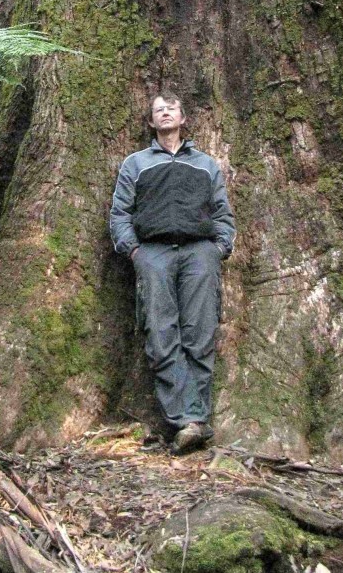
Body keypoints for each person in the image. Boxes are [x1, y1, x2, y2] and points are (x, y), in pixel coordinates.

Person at [110, 92, 236, 454]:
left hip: (200, 252)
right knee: (161, 332)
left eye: (171, 108)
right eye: (157, 110)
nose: (164, 112)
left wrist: (219, 247)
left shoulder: (206, 165)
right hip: (153, 253)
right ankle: (186, 419)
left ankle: (196, 418)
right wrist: (133, 250)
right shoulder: (135, 164)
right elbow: (120, 213)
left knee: (200, 330)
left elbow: (222, 213)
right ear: (151, 122)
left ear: (183, 117)